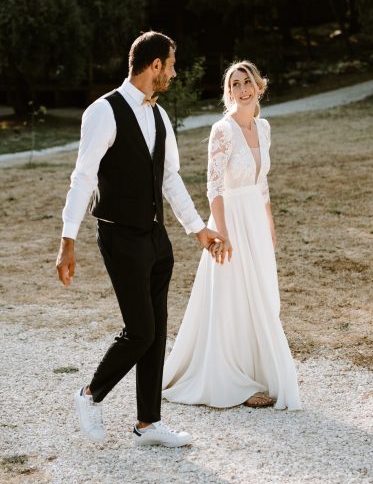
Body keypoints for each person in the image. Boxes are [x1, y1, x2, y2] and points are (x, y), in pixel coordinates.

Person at [56, 31, 224, 447]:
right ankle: (89, 395)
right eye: (170, 64)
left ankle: (148, 423)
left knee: (156, 331)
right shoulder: (103, 112)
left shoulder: (160, 116)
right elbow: (83, 178)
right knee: (141, 330)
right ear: (153, 67)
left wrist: (197, 228)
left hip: (156, 238)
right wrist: (68, 238)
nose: (173, 72)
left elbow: (169, 179)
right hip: (119, 235)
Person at [162, 60, 302, 410]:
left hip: (255, 217)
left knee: (262, 296)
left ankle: (261, 372)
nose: (242, 89)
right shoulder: (222, 131)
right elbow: (213, 187)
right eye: (234, 85)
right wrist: (221, 234)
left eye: (247, 82)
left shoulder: (264, 127)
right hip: (230, 220)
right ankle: (233, 382)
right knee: (232, 298)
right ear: (228, 93)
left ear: (259, 86)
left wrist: (269, 225)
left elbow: (262, 181)